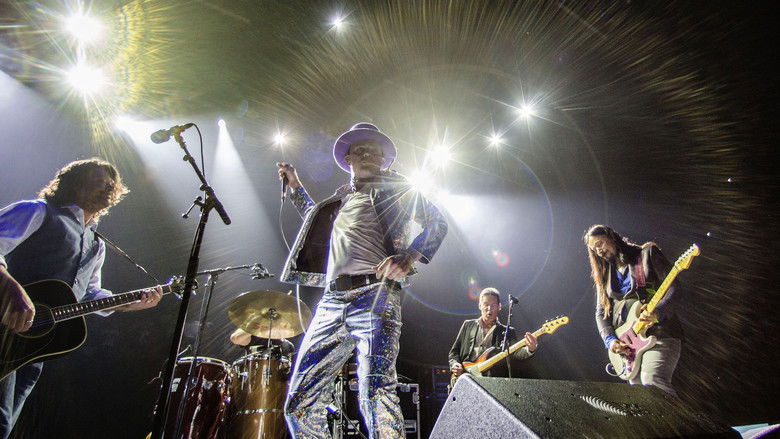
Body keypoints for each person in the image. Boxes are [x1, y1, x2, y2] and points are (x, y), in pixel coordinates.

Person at [277, 122, 447, 438]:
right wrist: (295, 185)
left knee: (375, 392)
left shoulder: (400, 191)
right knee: (299, 405)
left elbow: (437, 223)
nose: (367, 154)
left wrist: (408, 257)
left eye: (373, 150)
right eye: (360, 150)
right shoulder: (338, 201)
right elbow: (312, 217)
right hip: (331, 303)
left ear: (384, 160)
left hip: (376, 295)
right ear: (348, 159)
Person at [0, 158, 162, 438]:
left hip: (32, 347)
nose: (107, 187)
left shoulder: (96, 244)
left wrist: (127, 304)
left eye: (111, 184)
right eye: (99, 181)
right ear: (74, 184)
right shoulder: (37, 211)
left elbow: (88, 293)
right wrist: (13, 290)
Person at [583, 224, 684, 395]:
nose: (599, 251)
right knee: (640, 396)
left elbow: (674, 289)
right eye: (594, 249)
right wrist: (611, 340)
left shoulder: (646, 255)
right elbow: (601, 313)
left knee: (653, 382)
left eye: (600, 244)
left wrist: (658, 312)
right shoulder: (605, 276)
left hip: (659, 334)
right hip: (630, 345)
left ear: (612, 237)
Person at [448, 288, 537, 386]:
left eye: (493, 305)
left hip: (491, 382)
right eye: (486, 304)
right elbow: (454, 352)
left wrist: (530, 349)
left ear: (499, 307)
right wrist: (455, 364)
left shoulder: (507, 331)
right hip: (465, 377)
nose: (489, 309)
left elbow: (516, 353)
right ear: (480, 305)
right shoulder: (468, 325)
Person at [229, 328, 295, 358]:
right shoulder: (253, 335)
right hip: (254, 376)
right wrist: (257, 328)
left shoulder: (288, 346)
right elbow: (235, 339)